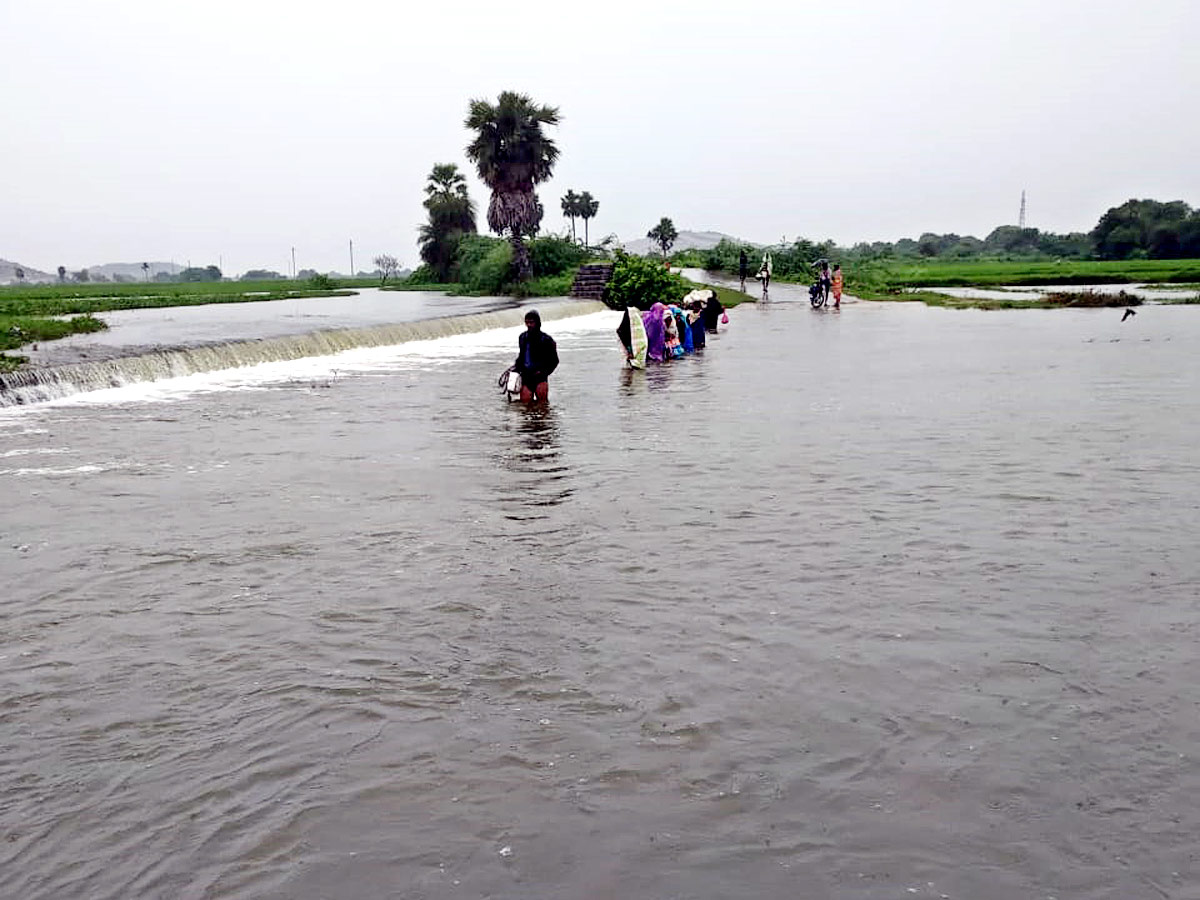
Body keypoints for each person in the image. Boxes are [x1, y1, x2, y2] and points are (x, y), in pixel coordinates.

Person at [513, 309, 558, 402]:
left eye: (531, 322)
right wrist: (516, 369)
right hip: (526, 376)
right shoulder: (522, 337)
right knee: (525, 406)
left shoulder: (547, 340)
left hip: (540, 377)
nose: (529, 325)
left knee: (543, 406)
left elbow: (554, 361)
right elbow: (522, 356)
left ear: (537, 322)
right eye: (527, 322)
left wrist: (543, 372)